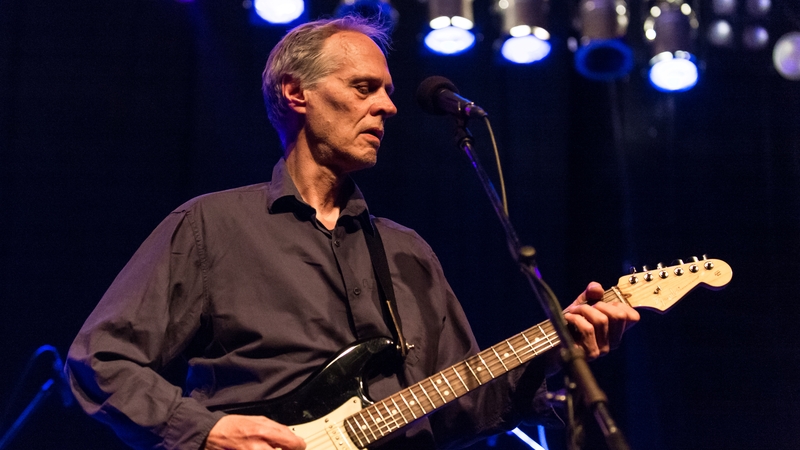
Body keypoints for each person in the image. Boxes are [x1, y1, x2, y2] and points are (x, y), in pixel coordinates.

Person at [65, 16, 639, 450]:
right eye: (366, 88)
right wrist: (206, 431)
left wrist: (554, 354)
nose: (388, 107)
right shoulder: (211, 229)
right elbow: (100, 360)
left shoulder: (408, 253)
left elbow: (465, 412)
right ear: (297, 94)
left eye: (388, 92)